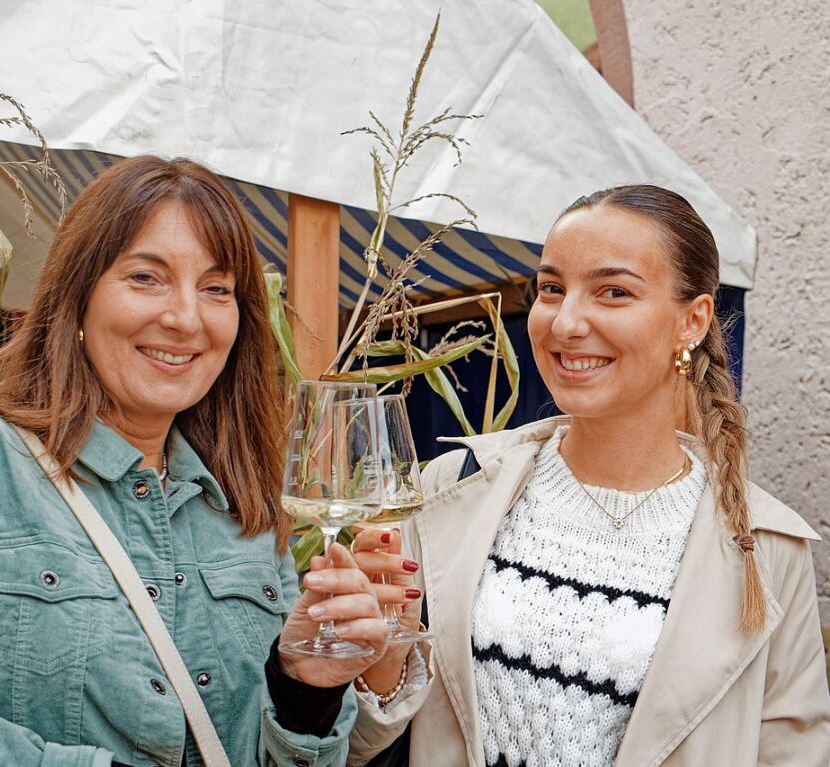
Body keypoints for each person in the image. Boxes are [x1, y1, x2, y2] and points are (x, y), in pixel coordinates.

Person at [0, 155, 388, 766]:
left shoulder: (245, 507)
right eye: (146, 277)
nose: (185, 318)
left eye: (216, 289)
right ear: (77, 297)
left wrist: (302, 692)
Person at [348, 185, 830, 766]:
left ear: (692, 321)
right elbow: (359, 744)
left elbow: (793, 752)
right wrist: (375, 655)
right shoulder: (452, 485)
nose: (566, 322)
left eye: (613, 292)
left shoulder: (769, 546)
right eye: (552, 289)